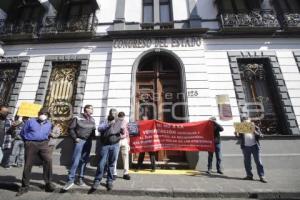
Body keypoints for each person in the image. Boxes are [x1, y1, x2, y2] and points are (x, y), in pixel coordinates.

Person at [17, 108, 56, 196]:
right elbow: (23, 133)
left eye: (45, 114)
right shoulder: (30, 121)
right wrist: (27, 142)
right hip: (31, 143)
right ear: (38, 114)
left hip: (44, 143)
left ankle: (48, 183)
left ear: (48, 116)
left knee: (48, 160)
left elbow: (49, 133)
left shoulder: (49, 124)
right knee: (28, 164)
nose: (43, 115)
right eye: (41, 113)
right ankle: (24, 186)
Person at [63, 105, 96, 191]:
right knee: (75, 160)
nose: (92, 110)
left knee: (84, 161)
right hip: (79, 141)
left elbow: (93, 130)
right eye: (91, 108)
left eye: (93, 108)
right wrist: (75, 138)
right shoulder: (78, 117)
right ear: (86, 109)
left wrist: (92, 137)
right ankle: (70, 180)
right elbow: (71, 129)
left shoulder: (92, 119)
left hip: (88, 142)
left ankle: (80, 179)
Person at [91, 112, 123, 191]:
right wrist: (109, 124)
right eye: (112, 113)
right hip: (105, 145)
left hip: (115, 145)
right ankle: (97, 181)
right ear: (110, 114)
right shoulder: (104, 121)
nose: (114, 115)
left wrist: (122, 132)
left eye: (115, 113)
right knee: (102, 163)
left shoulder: (119, 122)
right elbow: (99, 129)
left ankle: (109, 181)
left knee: (112, 164)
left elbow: (124, 131)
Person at [235, 117, 267, 183]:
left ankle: (262, 176)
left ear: (250, 122)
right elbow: (239, 137)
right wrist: (236, 134)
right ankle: (249, 175)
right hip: (245, 147)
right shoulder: (241, 127)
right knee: (247, 162)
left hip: (255, 146)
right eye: (245, 122)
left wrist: (254, 131)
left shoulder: (255, 127)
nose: (246, 123)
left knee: (258, 162)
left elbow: (261, 136)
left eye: (247, 122)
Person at [113, 112, 131, 180]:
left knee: (126, 156)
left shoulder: (126, 122)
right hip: (117, 140)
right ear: (118, 116)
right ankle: (114, 173)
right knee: (115, 157)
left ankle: (126, 173)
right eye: (120, 117)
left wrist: (128, 142)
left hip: (124, 140)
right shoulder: (115, 122)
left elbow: (127, 132)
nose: (122, 118)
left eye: (122, 117)